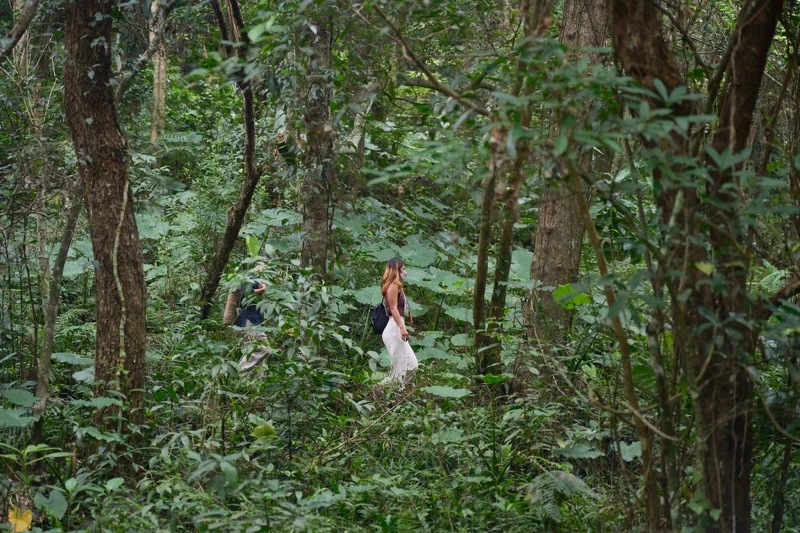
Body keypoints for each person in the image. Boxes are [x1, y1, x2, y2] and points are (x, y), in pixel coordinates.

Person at [378, 257, 418, 388]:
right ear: (397, 269)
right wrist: (402, 327)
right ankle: (390, 392)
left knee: (412, 365)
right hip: (395, 327)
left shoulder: (398, 286)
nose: (405, 271)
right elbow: (394, 309)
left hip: (398, 325)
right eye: (403, 268)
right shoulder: (393, 286)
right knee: (400, 368)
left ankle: (398, 390)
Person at [233, 263, 271, 372]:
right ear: (259, 265)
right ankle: (241, 373)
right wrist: (262, 289)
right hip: (249, 321)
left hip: (255, 322)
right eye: (265, 266)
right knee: (264, 349)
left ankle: (251, 381)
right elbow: (244, 294)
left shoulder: (257, 279)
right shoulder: (250, 277)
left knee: (252, 350)